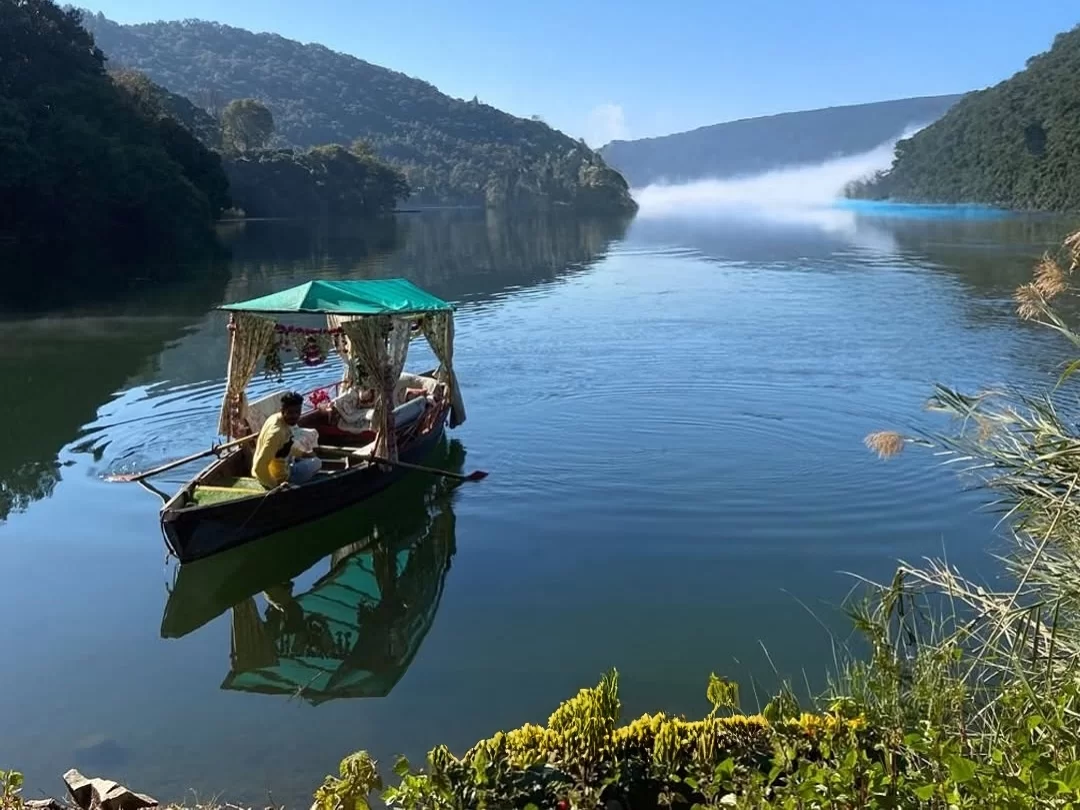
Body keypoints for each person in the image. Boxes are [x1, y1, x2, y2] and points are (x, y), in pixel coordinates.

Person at [251, 392, 322, 488]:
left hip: (278, 465)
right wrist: (276, 486)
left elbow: (283, 447)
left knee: (307, 455)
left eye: (298, 412)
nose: (295, 416)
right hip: (280, 477)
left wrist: (304, 454)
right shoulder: (276, 433)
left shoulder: (275, 418)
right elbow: (258, 468)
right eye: (290, 413)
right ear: (282, 410)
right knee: (317, 462)